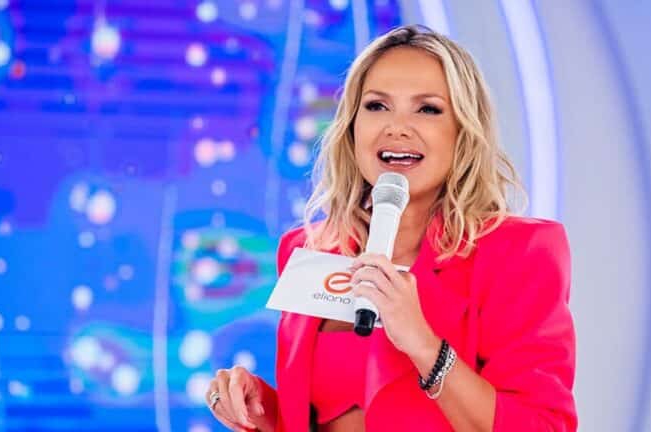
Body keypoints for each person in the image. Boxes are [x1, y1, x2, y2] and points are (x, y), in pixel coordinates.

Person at [205, 24, 577, 431]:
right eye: (377, 106)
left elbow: (542, 424)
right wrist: (261, 409)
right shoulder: (309, 248)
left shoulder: (520, 252)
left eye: (428, 109)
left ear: (463, 130)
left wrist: (423, 345)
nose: (396, 127)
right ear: (352, 125)